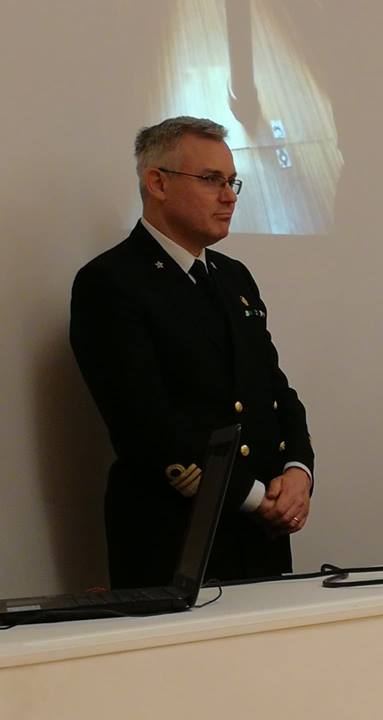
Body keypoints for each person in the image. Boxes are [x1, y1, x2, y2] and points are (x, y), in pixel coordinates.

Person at [70, 116, 314, 588]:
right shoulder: (112, 283)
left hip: (261, 536)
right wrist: (256, 497)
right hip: (174, 539)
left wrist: (298, 471)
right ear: (157, 183)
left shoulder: (233, 277)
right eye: (211, 180)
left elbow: (274, 391)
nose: (229, 196)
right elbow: (145, 425)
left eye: (231, 182)